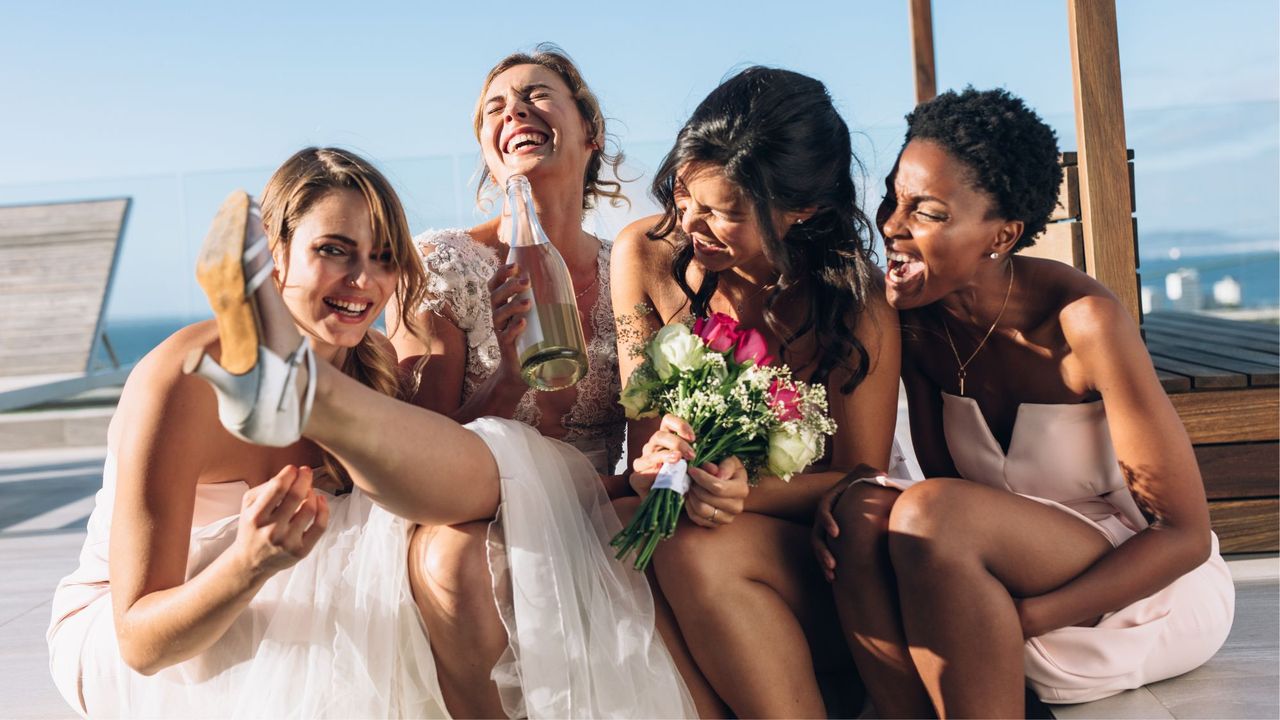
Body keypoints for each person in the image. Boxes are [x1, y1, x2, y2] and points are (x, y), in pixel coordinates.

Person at [48, 147, 693, 719]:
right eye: (334, 250)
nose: (364, 283)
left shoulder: (370, 365)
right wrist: (248, 563)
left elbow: (429, 485)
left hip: (295, 569)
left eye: (384, 260)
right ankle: (307, 394)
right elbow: (140, 642)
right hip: (159, 630)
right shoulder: (181, 382)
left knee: (461, 544)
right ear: (275, 253)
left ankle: (307, 394)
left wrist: (507, 384)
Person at [814, 87, 1234, 717]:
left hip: (1131, 586)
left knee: (927, 512)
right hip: (997, 570)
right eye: (893, 201)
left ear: (1001, 235)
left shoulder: (1084, 324)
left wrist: (1025, 618)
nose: (893, 227)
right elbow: (952, 486)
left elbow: (1183, 536)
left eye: (926, 212)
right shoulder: (918, 324)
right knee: (863, 508)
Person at [612, 66, 905, 718]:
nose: (691, 220)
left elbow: (860, 475)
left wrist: (746, 489)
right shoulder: (644, 256)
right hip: (684, 521)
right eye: (684, 193)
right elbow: (642, 437)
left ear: (802, 210)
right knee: (612, 536)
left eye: (724, 211)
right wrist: (658, 461)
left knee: (684, 547)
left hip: (814, 560)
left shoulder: (858, 306)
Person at [385, 45, 634, 715]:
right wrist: (505, 387)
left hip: (598, 501)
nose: (515, 109)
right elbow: (415, 455)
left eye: (537, 94)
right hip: (468, 510)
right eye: (496, 106)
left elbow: (651, 439)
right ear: (490, 151)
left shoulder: (630, 272)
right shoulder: (444, 264)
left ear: (591, 133)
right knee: (459, 562)